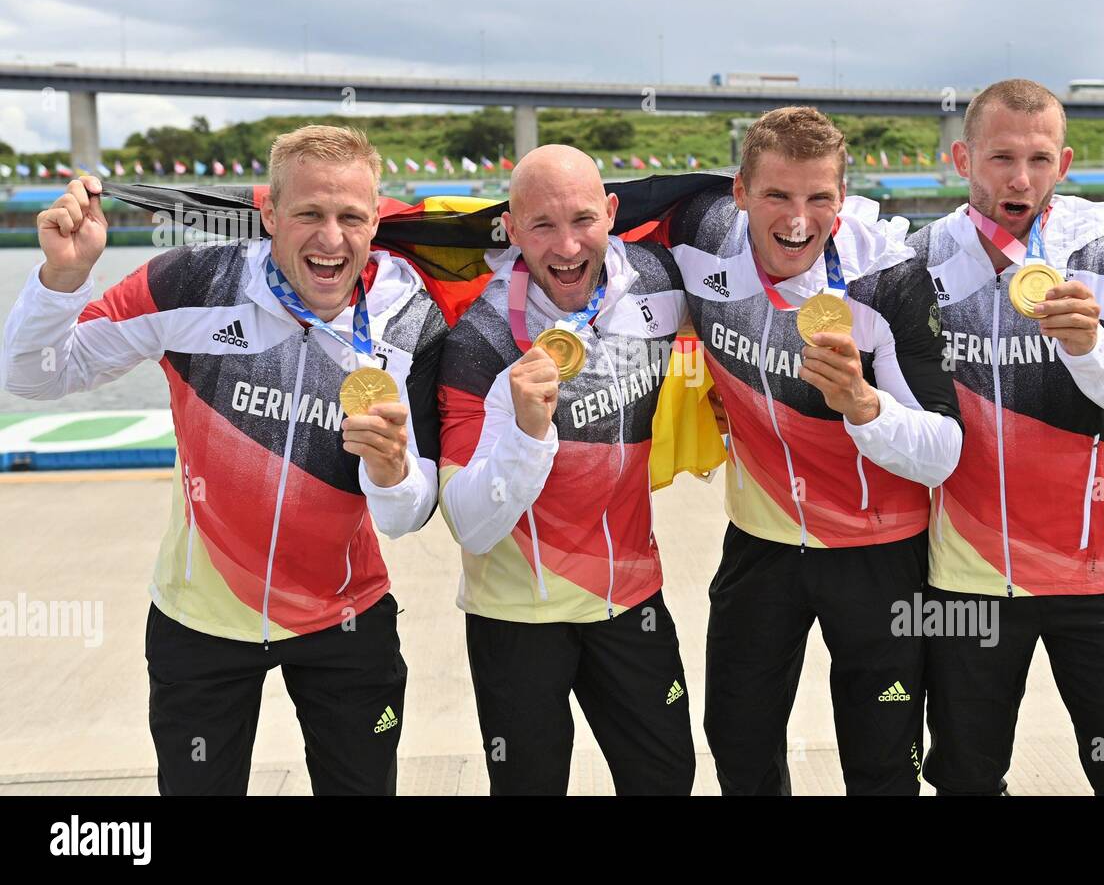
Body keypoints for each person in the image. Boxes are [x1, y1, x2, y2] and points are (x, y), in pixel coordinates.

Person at [1, 125, 443, 795]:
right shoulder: (192, 282)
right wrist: (61, 280)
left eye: (351, 216)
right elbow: (35, 377)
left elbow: (407, 515)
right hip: (199, 618)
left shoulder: (411, 321)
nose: (331, 238)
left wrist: (391, 474)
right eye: (308, 214)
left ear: (376, 218)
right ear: (268, 215)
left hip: (345, 618)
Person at [662, 106, 963, 794]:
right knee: (737, 743)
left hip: (879, 554)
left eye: (819, 198)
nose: (799, 219)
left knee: (883, 763)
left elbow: (945, 449)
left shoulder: (889, 277)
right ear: (739, 193)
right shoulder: (702, 235)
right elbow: (587, 228)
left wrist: (866, 408)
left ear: (841, 196)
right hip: (762, 541)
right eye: (777, 195)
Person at [912, 78, 1104, 795]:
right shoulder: (916, 260)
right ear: (961, 158)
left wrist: (1091, 348)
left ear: (1063, 164)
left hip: (1100, 570)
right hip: (968, 576)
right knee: (964, 780)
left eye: (1039, 159)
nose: (1020, 178)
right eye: (1001, 157)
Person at [437, 144, 695, 795]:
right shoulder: (481, 340)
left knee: (667, 781)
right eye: (543, 226)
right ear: (512, 230)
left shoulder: (659, 284)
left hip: (631, 598)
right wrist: (527, 434)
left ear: (611, 213)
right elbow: (469, 523)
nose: (568, 246)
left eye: (583, 219)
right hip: (517, 616)